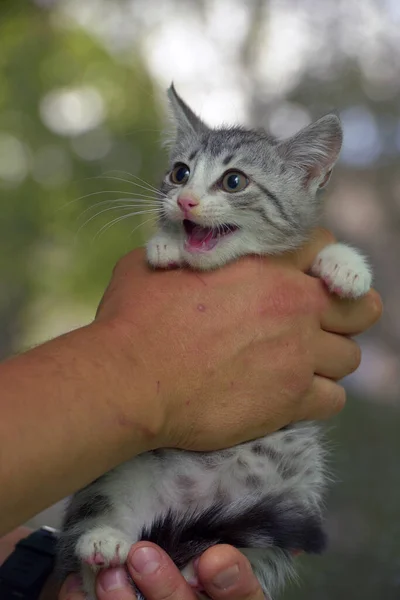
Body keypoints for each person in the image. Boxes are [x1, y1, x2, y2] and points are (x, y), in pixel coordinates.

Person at [0, 229, 382, 599]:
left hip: (236, 500)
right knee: (121, 487)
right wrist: (134, 367)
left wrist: (32, 578)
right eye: (179, 174)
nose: (189, 197)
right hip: (170, 501)